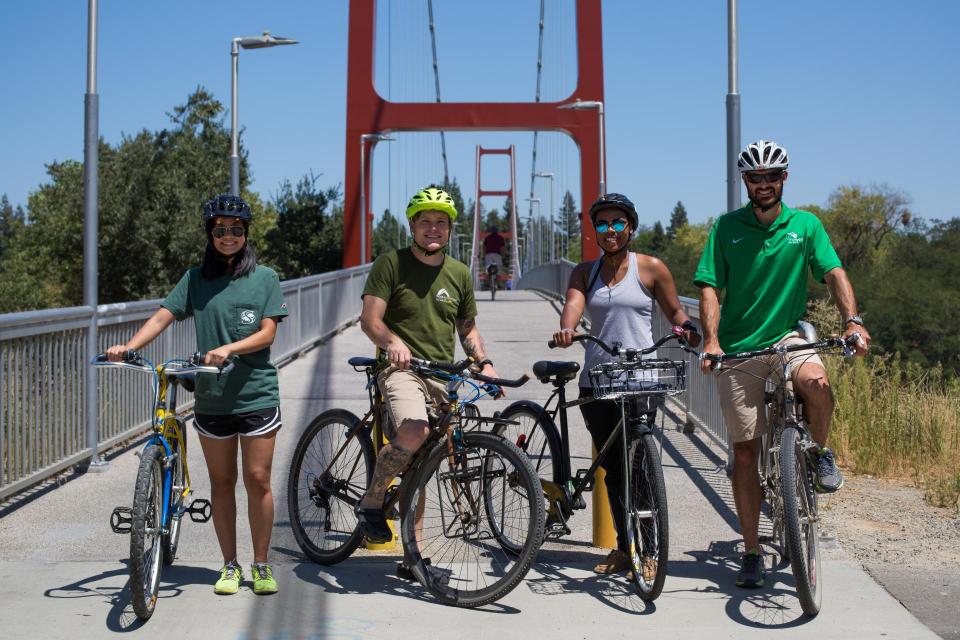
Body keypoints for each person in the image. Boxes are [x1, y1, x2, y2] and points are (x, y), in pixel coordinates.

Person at [694, 140, 871, 589]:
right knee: (745, 452)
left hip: (787, 336)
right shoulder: (726, 228)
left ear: (784, 179)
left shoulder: (806, 225)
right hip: (737, 346)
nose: (764, 184)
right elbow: (710, 286)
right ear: (745, 182)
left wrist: (852, 321)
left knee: (817, 382)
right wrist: (711, 340)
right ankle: (751, 550)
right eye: (756, 178)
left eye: (772, 177)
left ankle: (817, 453)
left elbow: (834, 272)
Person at [107, 194, 288, 596]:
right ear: (210, 233)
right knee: (221, 483)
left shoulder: (265, 277)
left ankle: (260, 565)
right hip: (212, 396)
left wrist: (228, 349)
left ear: (246, 234)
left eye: (236, 230)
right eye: (220, 230)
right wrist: (129, 346)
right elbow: (162, 316)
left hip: (256, 392)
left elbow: (268, 332)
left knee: (257, 480)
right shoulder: (195, 279)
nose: (228, 236)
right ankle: (229, 565)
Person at [355, 185, 502, 577]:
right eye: (426, 222)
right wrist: (391, 341)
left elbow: (467, 328)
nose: (433, 228)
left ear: (450, 229)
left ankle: (412, 557)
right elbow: (370, 319)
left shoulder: (458, 274)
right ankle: (371, 500)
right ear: (413, 226)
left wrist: (484, 362)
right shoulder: (391, 263)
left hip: (442, 376)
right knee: (415, 428)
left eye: (441, 222)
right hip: (402, 370)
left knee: (420, 468)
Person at [551, 193, 700, 575]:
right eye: (602, 224)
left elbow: (676, 311)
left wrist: (687, 329)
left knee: (641, 467)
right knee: (615, 469)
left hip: (642, 379)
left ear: (631, 227)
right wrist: (568, 329)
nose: (611, 230)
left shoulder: (651, 268)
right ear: (595, 231)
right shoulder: (584, 273)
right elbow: (573, 305)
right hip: (599, 381)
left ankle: (648, 552)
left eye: (618, 223)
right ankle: (624, 547)